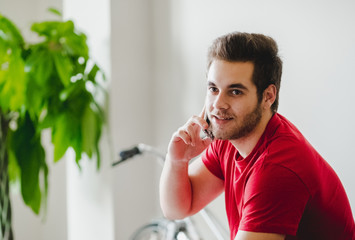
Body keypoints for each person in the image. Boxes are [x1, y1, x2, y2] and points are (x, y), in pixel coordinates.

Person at [159, 32, 355, 240]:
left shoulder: (277, 168)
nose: (218, 105)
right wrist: (177, 159)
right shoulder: (231, 137)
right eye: (214, 89)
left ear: (268, 96)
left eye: (235, 92)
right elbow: (178, 208)